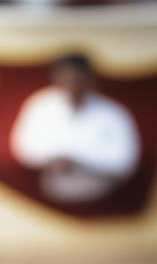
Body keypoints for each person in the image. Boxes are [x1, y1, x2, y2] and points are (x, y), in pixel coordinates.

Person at [10, 52, 141, 205]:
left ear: (91, 80)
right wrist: (55, 160)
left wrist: (77, 162)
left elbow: (124, 162)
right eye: (65, 80)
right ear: (55, 79)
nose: (72, 87)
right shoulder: (40, 105)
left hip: (101, 190)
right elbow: (24, 148)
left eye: (78, 80)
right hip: (50, 189)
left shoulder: (113, 113)